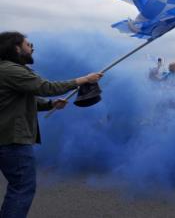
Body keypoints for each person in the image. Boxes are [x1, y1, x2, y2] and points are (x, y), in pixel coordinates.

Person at [0, 31, 103, 218]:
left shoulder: (6, 70)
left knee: (18, 186)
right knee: (22, 187)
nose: (32, 48)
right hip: (11, 140)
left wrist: (50, 104)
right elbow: (46, 88)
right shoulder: (11, 70)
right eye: (27, 44)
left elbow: (22, 98)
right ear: (16, 48)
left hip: (6, 139)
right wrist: (83, 80)